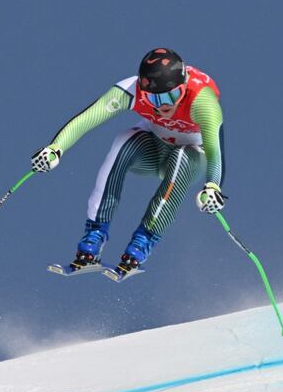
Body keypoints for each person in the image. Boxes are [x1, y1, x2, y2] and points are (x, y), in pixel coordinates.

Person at [31, 48, 226, 277]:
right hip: (155, 151)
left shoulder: (202, 101)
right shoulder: (131, 90)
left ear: (183, 87)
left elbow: (215, 151)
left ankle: (142, 243)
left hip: (194, 158)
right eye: (155, 98)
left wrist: (212, 185)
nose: (163, 106)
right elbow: (86, 119)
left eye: (170, 96)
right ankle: (94, 236)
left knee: (182, 157)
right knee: (125, 140)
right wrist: (55, 149)